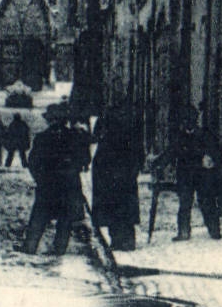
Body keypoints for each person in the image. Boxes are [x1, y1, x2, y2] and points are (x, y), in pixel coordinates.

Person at [23, 102, 87, 255]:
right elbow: (84, 159)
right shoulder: (75, 137)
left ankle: (30, 247)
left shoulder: (42, 138)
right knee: (65, 219)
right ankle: (59, 249)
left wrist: (40, 178)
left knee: (39, 217)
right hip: (68, 185)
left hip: (47, 185)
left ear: (49, 120)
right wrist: (72, 171)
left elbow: (33, 162)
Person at [164, 106, 222, 240]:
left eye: (190, 119)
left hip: (202, 175)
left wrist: (208, 157)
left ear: (195, 120)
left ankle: (214, 230)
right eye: (185, 120)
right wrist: (158, 165)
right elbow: (170, 153)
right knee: (185, 203)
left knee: (207, 202)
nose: (187, 123)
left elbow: (214, 152)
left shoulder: (204, 135)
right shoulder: (179, 137)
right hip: (185, 176)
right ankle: (183, 232)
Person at [91, 99, 143, 251]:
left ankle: (119, 240)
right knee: (123, 208)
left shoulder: (109, 132)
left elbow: (96, 139)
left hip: (112, 175)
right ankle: (125, 240)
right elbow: (139, 153)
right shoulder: (130, 130)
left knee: (113, 208)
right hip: (122, 175)